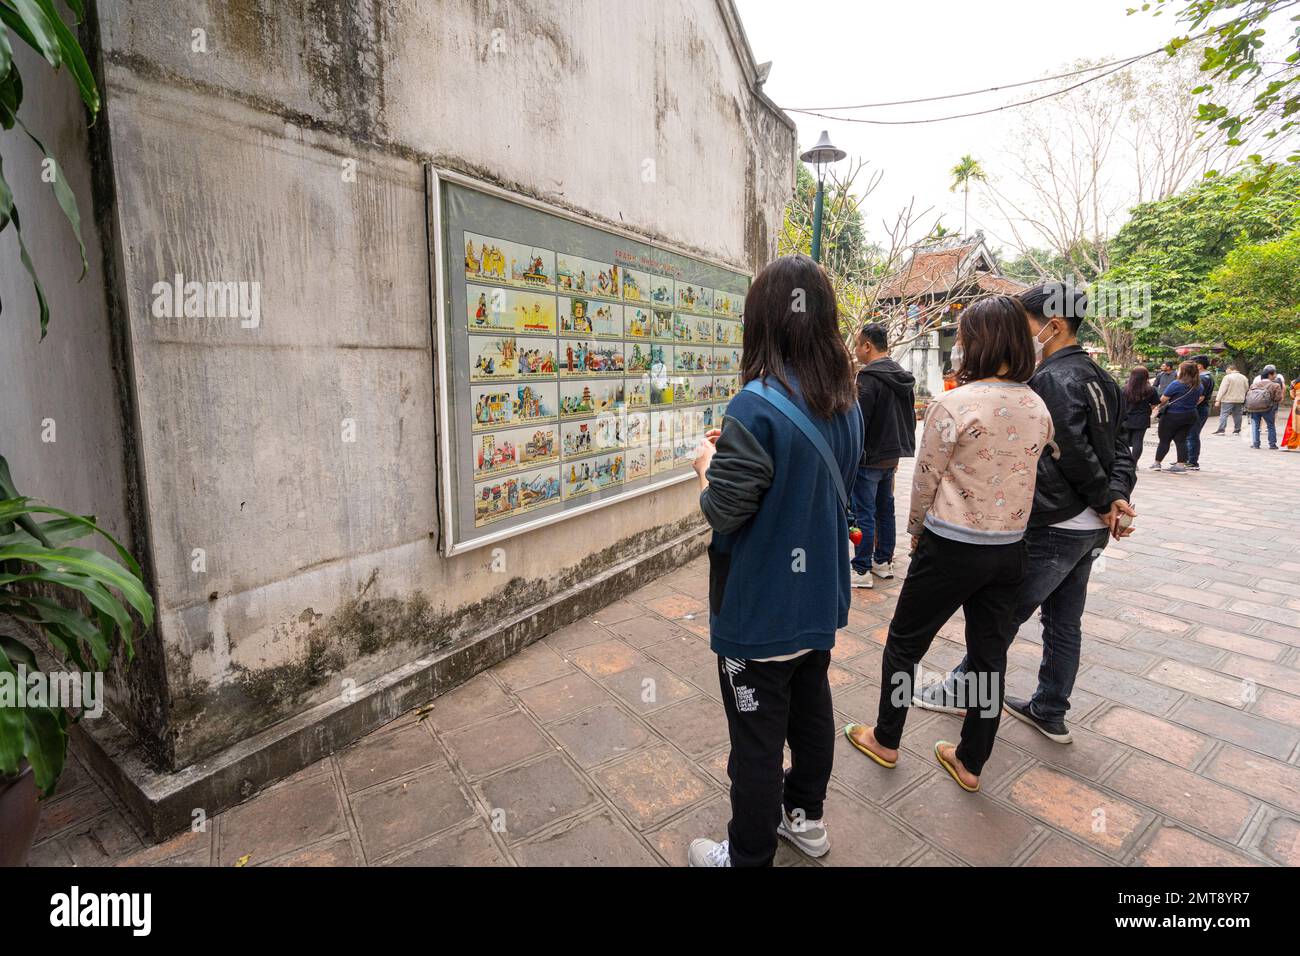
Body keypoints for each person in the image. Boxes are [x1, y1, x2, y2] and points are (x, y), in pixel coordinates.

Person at [688, 254, 862, 867]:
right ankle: (806, 820)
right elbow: (810, 477)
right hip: (816, 599)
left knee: (757, 742)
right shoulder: (846, 400)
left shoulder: (754, 406)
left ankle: (747, 854)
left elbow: (725, 511)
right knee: (811, 712)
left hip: (760, 611)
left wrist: (709, 467)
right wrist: (735, 454)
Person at [842, 296, 1051, 793]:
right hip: (1009, 549)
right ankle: (971, 761)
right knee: (988, 655)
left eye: (962, 336)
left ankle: (886, 738)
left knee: (905, 644)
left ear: (980, 343)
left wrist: (915, 533)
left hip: (952, 546)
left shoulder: (955, 404)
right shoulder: (1037, 405)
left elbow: (927, 480)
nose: (957, 345)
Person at [914, 282, 1137, 745]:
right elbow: (1123, 447)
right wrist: (1115, 499)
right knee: (1063, 620)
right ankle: (1050, 707)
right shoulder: (1102, 377)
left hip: (1055, 524)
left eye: (1025, 325)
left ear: (1052, 326)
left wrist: (1103, 500)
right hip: (1089, 529)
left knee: (999, 622)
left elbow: (1071, 454)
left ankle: (961, 693)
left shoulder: (1050, 381)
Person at [849, 322, 916, 589]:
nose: (855, 350)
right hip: (891, 457)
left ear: (867, 346)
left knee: (864, 512)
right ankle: (883, 562)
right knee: (885, 510)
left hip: (868, 458)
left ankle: (861, 569)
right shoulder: (903, 376)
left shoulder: (868, 378)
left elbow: (859, 423)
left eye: (857, 344)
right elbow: (908, 419)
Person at [1153, 361, 1203, 472]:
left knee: (1164, 440)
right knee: (1181, 440)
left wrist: (1156, 406)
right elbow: (1198, 399)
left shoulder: (1177, 384)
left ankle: (1157, 463)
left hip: (1173, 415)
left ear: (1184, 371)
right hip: (1190, 415)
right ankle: (1180, 466)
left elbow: (1163, 399)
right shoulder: (1199, 385)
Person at [1120, 365, 1159, 464]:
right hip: (1142, 418)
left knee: (1124, 442)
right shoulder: (1151, 389)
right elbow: (1154, 404)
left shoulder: (1124, 389)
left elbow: (1119, 403)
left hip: (1126, 418)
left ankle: (1125, 461)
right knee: (1138, 441)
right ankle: (1134, 463)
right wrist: (1146, 409)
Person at [1184, 354, 1214, 470]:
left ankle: (1192, 461)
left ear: (1199, 366)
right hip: (1200, 409)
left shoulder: (1203, 379)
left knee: (1192, 435)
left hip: (1198, 409)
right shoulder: (1206, 377)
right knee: (1190, 435)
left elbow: (1200, 398)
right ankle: (1185, 459)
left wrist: (1188, 407)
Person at [1246, 366, 1285, 449]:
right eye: (1274, 373)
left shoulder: (1254, 385)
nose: (1275, 375)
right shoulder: (1275, 385)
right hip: (1268, 408)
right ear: (1270, 375)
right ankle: (1272, 444)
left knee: (1255, 425)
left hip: (1253, 407)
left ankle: (1256, 444)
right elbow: (1278, 398)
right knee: (1270, 425)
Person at [1213, 364, 1249, 435]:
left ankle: (1221, 430)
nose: (1226, 372)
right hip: (1239, 399)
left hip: (1227, 399)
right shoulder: (1243, 377)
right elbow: (1246, 388)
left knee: (1224, 414)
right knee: (1238, 415)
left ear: (1230, 369)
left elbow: (1222, 389)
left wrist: (1218, 400)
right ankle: (1237, 430)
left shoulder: (1227, 377)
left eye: (1226, 370)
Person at [1282, 379, 1300, 451]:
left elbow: (1292, 395)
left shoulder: (1294, 382)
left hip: (1297, 403)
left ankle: (1293, 444)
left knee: (1294, 424)